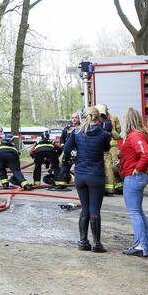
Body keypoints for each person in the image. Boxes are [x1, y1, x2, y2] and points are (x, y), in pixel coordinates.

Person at [62, 106, 112, 252]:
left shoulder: (76, 132)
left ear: (84, 117)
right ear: (99, 118)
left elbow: (66, 149)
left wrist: (77, 155)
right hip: (96, 175)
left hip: (80, 175)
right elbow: (106, 149)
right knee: (95, 210)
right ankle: (97, 244)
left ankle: (83, 242)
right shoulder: (103, 134)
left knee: (85, 209)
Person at [118, 107, 148, 257]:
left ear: (128, 120)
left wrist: (137, 168)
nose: (122, 120)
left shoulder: (135, 136)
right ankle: (145, 245)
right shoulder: (137, 135)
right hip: (135, 176)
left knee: (134, 212)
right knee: (138, 212)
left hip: (133, 177)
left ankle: (140, 246)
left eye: (124, 118)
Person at [95, 104, 122, 195]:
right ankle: (111, 187)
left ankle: (118, 186)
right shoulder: (100, 119)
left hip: (111, 147)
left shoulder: (113, 118)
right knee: (108, 167)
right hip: (104, 145)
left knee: (113, 166)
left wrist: (111, 131)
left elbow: (118, 131)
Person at [56, 112, 81, 188]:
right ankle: (62, 184)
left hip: (79, 151)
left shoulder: (82, 127)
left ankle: (80, 184)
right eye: (72, 118)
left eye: (75, 117)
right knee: (65, 167)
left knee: (80, 168)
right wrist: (64, 147)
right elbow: (62, 139)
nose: (74, 119)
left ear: (78, 118)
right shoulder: (67, 128)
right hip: (68, 151)